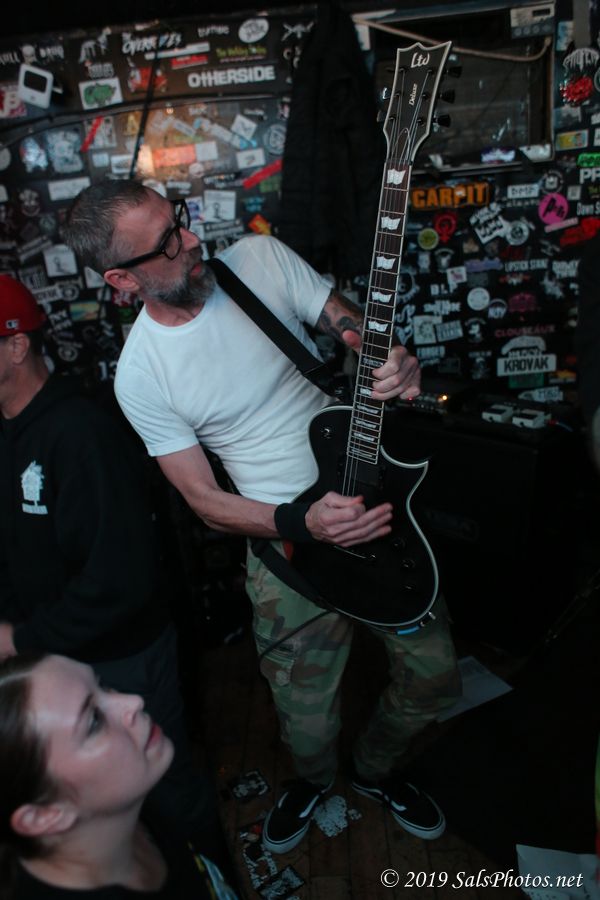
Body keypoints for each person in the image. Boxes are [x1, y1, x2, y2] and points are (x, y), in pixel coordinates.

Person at [64, 179, 462, 855]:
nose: (193, 241)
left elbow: (347, 324)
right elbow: (203, 500)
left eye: (180, 220)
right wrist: (307, 524)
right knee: (306, 722)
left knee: (435, 678)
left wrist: (386, 356)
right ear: (121, 280)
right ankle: (315, 780)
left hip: (370, 503)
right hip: (289, 548)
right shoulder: (142, 376)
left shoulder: (258, 260)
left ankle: (375, 770)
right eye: (166, 244)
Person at [0, 275, 228, 868]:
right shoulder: (10, 431)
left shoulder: (81, 434)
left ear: (17, 345)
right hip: (56, 659)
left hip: (122, 658)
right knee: (108, 805)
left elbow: (119, 581)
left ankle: (214, 878)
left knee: (168, 790)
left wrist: (20, 637)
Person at [0, 652, 237, 898]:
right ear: (45, 815)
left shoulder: (129, 801)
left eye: (102, 685)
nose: (134, 701)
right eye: (94, 721)